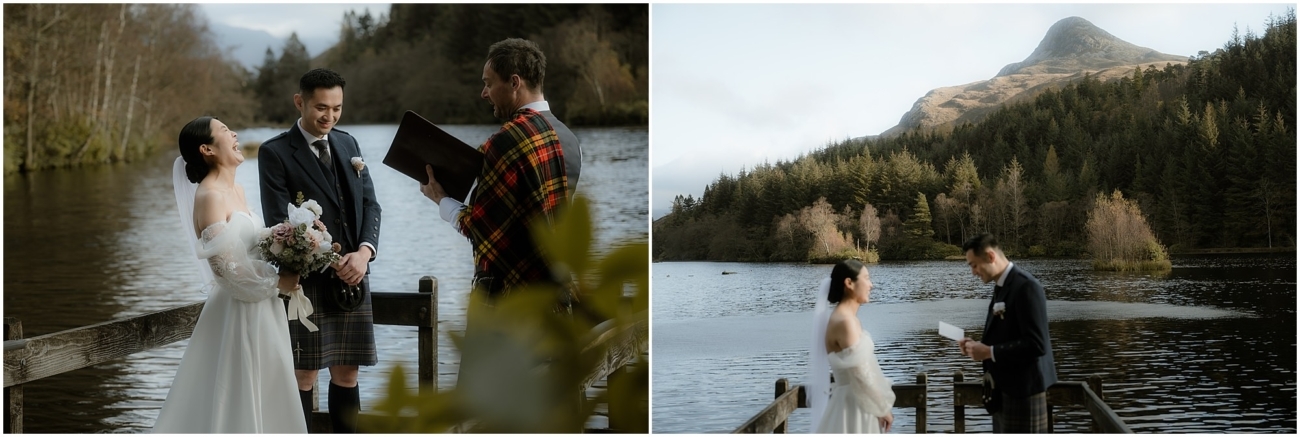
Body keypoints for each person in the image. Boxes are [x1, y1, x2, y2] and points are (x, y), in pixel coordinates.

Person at [155, 116, 308, 433]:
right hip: (238, 313)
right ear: (207, 149)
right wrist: (277, 283)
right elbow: (225, 269)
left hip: (264, 307)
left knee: (269, 390)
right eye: (224, 130)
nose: (234, 133)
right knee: (238, 393)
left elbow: (253, 247)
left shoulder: (236, 190)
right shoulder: (209, 196)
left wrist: (297, 244)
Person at [258, 68, 382, 433]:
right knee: (303, 373)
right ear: (300, 102)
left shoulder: (348, 144)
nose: (329, 117)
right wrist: (331, 259)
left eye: (337, 108)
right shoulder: (275, 152)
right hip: (307, 280)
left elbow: (371, 205)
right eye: (321, 108)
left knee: (347, 371)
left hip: (354, 275)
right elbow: (279, 222)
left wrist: (363, 253)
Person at [420, 38, 570, 299]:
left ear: (514, 83)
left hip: (506, 295)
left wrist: (441, 200)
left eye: (488, 84)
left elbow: (480, 227)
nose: (484, 93)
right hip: (554, 290)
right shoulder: (569, 139)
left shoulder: (506, 142)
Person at [957, 233, 1057, 433]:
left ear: (990, 256)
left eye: (974, 265)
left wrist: (989, 352)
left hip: (1025, 392)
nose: (973, 272)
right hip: (1005, 392)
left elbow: (1037, 344)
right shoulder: (1002, 287)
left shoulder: (1026, 286)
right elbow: (1008, 333)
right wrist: (978, 346)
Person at [809, 259, 895, 433]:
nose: (871, 285)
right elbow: (860, 374)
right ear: (849, 283)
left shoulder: (844, 319)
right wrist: (882, 408)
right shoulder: (845, 322)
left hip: (854, 401)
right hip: (854, 407)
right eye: (867, 278)